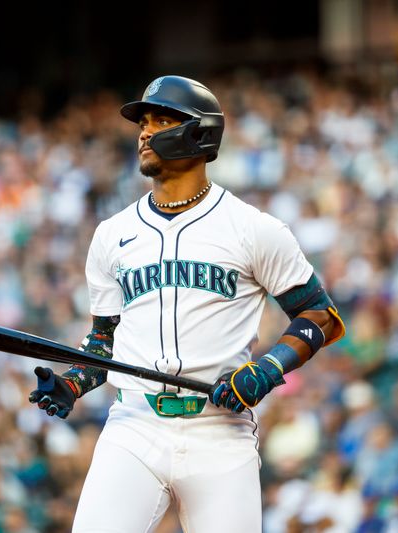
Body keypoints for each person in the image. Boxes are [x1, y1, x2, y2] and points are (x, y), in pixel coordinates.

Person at [28, 75, 346, 533]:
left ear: (199, 132)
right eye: (143, 122)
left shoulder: (253, 229)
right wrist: (75, 381)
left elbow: (321, 316)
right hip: (135, 424)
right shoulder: (111, 235)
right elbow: (105, 340)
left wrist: (267, 369)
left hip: (220, 429)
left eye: (160, 120)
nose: (144, 131)